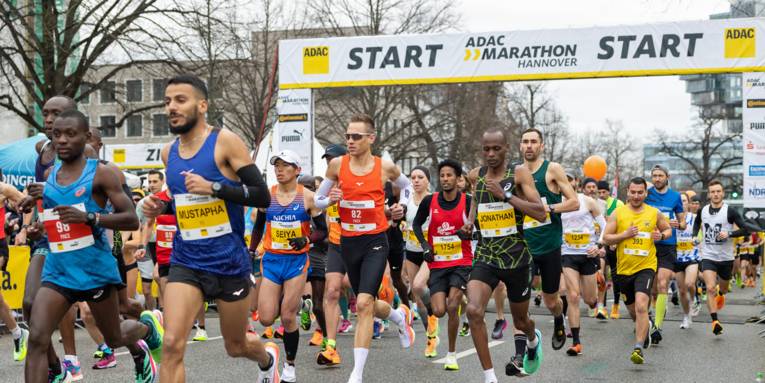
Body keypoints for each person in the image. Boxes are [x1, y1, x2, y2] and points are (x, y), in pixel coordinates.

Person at [140, 74, 277, 382]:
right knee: (173, 344)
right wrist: (162, 207)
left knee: (236, 345)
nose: (171, 107)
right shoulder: (168, 153)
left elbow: (262, 196)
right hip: (186, 260)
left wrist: (215, 187)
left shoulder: (224, 142)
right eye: (167, 102)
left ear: (202, 105)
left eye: (180, 100)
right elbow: (185, 205)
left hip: (229, 262)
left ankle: (267, 360)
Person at [21, 110, 163, 383]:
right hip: (59, 270)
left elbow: (131, 219)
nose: (62, 140)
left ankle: (147, 328)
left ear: (86, 138)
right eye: (57, 135)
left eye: (70, 134)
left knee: (115, 336)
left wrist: (91, 217)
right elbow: (58, 221)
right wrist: (41, 228)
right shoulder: (50, 175)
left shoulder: (103, 174)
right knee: (37, 338)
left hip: (94, 270)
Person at [314, 114, 415, 383]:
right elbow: (318, 199)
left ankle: (356, 374)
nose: (350, 141)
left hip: (374, 242)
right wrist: (329, 199)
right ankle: (398, 316)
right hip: (348, 242)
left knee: (362, 304)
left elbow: (406, 188)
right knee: (368, 303)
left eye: (356, 136)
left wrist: (400, 208)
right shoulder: (337, 165)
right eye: (347, 136)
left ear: (371, 138)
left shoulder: (385, 167)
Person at [463, 128, 547, 382]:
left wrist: (506, 195)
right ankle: (490, 377)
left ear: (506, 149)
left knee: (521, 321)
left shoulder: (518, 173)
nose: (490, 154)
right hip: (487, 255)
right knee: (474, 310)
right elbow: (477, 205)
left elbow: (541, 213)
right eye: (486, 149)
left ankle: (533, 339)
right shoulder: (475, 175)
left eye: (496, 149)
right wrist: (469, 223)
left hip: (516, 258)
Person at [17, 95, 83, 380]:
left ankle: (139, 341)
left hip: (82, 240)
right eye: (45, 113)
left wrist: (48, 191)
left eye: (56, 113)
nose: (48, 119)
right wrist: (33, 210)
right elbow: (44, 195)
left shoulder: (85, 150)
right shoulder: (41, 148)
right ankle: (57, 367)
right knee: (30, 304)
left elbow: (89, 194)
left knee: (111, 323)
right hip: (49, 239)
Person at [251, 150, 324, 382]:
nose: (279, 170)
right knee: (265, 318)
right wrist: (251, 250)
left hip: (296, 262)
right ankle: (299, 303)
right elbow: (258, 227)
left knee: (287, 317)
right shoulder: (267, 196)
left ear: (297, 170)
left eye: (285, 165)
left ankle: (289, 367)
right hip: (272, 260)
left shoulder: (308, 197)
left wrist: (307, 239)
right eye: (277, 165)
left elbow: (324, 231)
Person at [519, 128, 579, 352]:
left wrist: (547, 208)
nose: (529, 146)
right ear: (520, 146)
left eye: (534, 142)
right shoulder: (516, 173)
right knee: (519, 299)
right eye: (525, 142)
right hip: (524, 246)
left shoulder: (552, 169)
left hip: (550, 245)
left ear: (541, 146)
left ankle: (558, 319)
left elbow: (574, 202)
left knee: (551, 301)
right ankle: (527, 344)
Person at [412, 159, 473, 371]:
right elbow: (416, 224)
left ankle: (451, 354)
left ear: (458, 178)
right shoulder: (430, 201)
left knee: (452, 306)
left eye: (449, 175)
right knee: (438, 311)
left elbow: (480, 231)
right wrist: (425, 246)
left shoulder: (468, 201)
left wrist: (468, 233)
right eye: (443, 175)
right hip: (438, 263)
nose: (445, 179)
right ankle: (457, 302)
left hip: (461, 263)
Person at [603, 177, 671, 364]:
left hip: (646, 267)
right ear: (628, 192)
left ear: (645, 193)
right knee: (634, 312)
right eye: (633, 192)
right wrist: (624, 235)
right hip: (624, 270)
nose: (636, 195)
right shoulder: (618, 213)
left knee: (642, 305)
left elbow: (667, 230)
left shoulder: (653, 213)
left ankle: (638, 347)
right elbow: (606, 238)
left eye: (640, 192)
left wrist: (661, 235)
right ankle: (646, 325)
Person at [692, 180, 749, 336]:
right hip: (708, 255)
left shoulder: (730, 211)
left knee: (722, 288)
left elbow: (746, 229)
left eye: (718, 191)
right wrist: (694, 235)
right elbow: (697, 224)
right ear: (709, 194)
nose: (715, 194)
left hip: (726, 258)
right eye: (713, 192)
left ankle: (721, 293)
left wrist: (729, 233)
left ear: (722, 193)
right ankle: (715, 321)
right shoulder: (702, 211)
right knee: (710, 287)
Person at [560, 172, 606, 356]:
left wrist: (598, 245)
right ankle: (576, 342)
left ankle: (597, 280)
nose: (568, 186)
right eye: (564, 183)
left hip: (588, 254)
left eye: (571, 183)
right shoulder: (558, 204)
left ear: (576, 184)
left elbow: (604, 227)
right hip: (568, 254)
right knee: (572, 296)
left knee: (590, 300)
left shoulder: (587, 201)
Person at [316, 143, 350, 366]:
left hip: (362, 243)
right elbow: (317, 203)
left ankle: (397, 316)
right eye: (327, 160)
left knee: (368, 299)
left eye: (333, 159)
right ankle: (331, 348)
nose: (330, 164)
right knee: (331, 292)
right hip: (337, 244)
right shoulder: (328, 186)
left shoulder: (356, 179)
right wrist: (329, 200)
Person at [644, 165, 685, 344]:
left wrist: (679, 224)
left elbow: (683, 221)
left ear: (667, 176)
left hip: (668, 245)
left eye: (660, 175)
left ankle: (657, 327)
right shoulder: (647, 194)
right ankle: (651, 314)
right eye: (654, 176)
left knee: (662, 283)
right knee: (652, 289)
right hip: (648, 245)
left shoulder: (675, 197)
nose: (657, 179)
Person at [401, 166, 438, 357]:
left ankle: (434, 312)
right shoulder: (406, 200)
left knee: (418, 286)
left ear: (428, 180)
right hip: (411, 250)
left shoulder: (433, 200)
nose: (416, 180)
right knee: (417, 298)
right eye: (413, 177)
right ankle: (431, 336)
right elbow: (403, 224)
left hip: (429, 252)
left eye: (420, 177)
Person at [297, 175, 330, 349]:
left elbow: (327, 240)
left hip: (318, 257)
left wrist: (310, 237)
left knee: (319, 304)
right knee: (300, 297)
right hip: (300, 257)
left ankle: (326, 336)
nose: (306, 190)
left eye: (310, 187)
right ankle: (304, 307)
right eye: (302, 187)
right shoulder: (294, 208)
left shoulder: (320, 209)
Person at [0, 181, 29, 362]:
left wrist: (24, 229)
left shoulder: (3, 188)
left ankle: (18, 333)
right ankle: (18, 333)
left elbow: (27, 203)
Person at [597, 180, 624, 319]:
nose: (601, 194)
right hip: (600, 242)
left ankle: (616, 305)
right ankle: (601, 307)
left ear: (608, 192)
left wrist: (616, 240)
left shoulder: (617, 204)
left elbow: (622, 222)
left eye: (604, 192)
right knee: (601, 274)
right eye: (599, 192)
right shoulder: (594, 203)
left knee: (614, 275)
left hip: (612, 242)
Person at [675, 192, 700, 329]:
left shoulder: (695, 218)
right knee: (682, 290)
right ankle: (686, 316)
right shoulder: (672, 219)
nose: (682, 203)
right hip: (677, 257)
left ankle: (695, 299)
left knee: (690, 283)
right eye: (680, 201)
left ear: (688, 203)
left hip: (692, 257)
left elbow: (703, 234)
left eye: (684, 201)